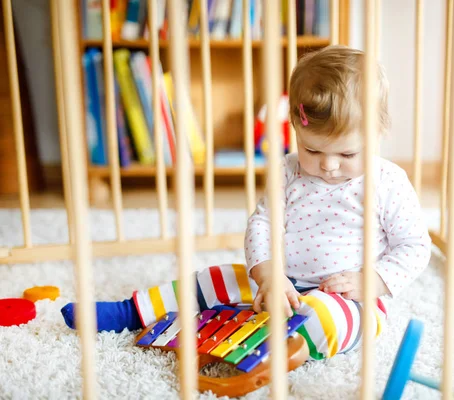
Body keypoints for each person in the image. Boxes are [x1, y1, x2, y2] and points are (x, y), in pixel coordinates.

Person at [61, 45, 431, 360]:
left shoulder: (388, 182)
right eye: (312, 149)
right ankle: (132, 311)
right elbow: (263, 224)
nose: (328, 166)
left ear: (379, 133)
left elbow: (414, 246)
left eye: (348, 153)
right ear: (294, 129)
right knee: (213, 277)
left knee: (325, 321)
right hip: (280, 282)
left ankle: (276, 343)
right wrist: (269, 276)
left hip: (348, 299)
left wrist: (372, 281)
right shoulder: (287, 171)